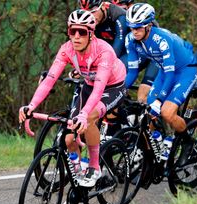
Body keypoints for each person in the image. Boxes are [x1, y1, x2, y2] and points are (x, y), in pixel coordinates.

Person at [19, 10, 127, 188]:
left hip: (113, 87)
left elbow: (99, 90)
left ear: (91, 34)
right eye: (72, 31)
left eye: (82, 32)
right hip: (90, 84)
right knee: (69, 139)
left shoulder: (104, 52)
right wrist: (31, 106)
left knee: (90, 117)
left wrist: (84, 114)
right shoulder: (67, 49)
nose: (76, 37)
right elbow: (50, 80)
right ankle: (77, 177)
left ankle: (94, 167)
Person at [125, 3, 197, 166]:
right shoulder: (131, 39)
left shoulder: (161, 39)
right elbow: (132, 71)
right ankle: (160, 141)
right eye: (131, 27)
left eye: (138, 27)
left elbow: (171, 73)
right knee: (147, 109)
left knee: (166, 112)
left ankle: (187, 142)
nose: (134, 31)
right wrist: (120, 90)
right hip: (164, 71)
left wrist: (160, 100)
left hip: (184, 71)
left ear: (149, 25)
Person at [80, 0, 158, 103]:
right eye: (86, 13)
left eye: (93, 11)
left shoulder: (120, 17)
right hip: (130, 51)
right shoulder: (93, 20)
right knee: (113, 88)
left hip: (150, 54)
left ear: (103, 6)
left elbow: (115, 51)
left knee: (141, 96)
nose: (90, 16)